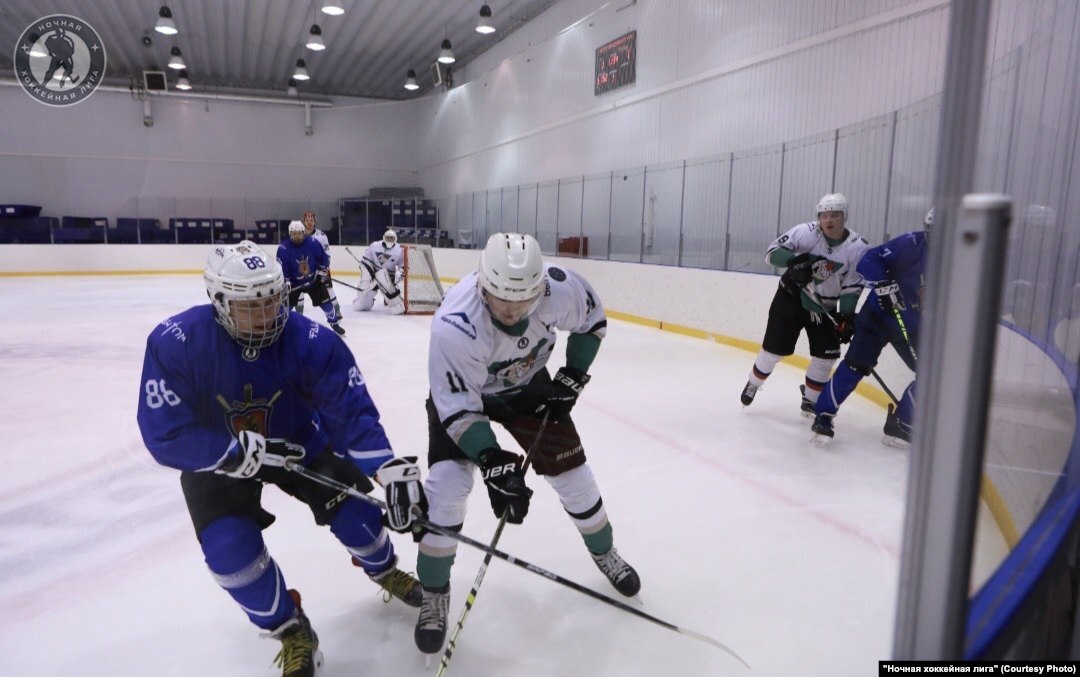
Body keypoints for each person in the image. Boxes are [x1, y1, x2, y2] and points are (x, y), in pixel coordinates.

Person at [136, 241, 428, 677]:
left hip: (298, 441)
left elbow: (350, 414)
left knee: (360, 518)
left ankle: (383, 569)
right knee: (230, 554)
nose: (266, 315)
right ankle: (291, 629)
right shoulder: (176, 342)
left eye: (272, 302)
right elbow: (165, 431)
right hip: (220, 457)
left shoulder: (313, 341)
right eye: (249, 307)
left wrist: (387, 469)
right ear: (218, 302)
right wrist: (228, 453)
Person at [413, 232, 641, 654]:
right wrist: (492, 461)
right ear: (483, 286)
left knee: (574, 475)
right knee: (446, 489)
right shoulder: (454, 325)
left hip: (528, 386)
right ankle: (434, 591)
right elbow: (458, 409)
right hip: (466, 398)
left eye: (523, 301)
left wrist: (574, 374)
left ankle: (605, 551)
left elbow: (592, 320)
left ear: (540, 288)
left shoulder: (558, 287)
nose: (513, 311)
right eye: (502, 301)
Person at [740, 193, 869, 416]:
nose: (828, 220)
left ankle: (810, 399)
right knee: (773, 350)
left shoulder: (857, 247)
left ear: (844, 216)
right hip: (790, 299)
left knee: (827, 356)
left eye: (835, 215)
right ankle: (754, 382)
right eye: (824, 215)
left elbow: (852, 286)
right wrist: (793, 262)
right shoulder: (807, 232)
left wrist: (846, 317)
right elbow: (771, 253)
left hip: (824, 308)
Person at [810, 208, 931, 445]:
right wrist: (884, 283)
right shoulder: (910, 244)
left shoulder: (963, 262)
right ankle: (823, 414)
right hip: (878, 316)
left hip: (913, 325)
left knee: (933, 374)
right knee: (855, 365)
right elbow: (869, 260)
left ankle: (901, 425)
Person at [277, 220, 345, 335]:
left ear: (303, 233)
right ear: (290, 234)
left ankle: (334, 323)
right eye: (294, 233)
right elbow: (282, 267)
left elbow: (324, 258)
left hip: (313, 280)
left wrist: (322, 270)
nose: (297, 236)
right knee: (285, 308)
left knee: (327, 304)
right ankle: (279, 327)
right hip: (293, 283)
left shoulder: (313, 243)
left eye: (299, 233)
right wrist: (286, 281)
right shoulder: (284, 248)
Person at [296, 210, 342, 319]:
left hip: (319, 269)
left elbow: (327, 254)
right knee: (299, 292)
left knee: (328, 289)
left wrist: (323, 269)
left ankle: (337, 311)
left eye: (311, 220)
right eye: (307, 220)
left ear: (315, 221)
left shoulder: (321, 236)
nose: (309, 222)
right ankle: (299, 316)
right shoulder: (298, 235)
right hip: (303, 269)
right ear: (303, 222)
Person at [352, 229, 405, 315]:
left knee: (398, 309)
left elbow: (403, 265)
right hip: (373, 275)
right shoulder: (374, 246)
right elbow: (365, 262)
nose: (389, 240)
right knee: (360, 306)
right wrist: (368, 276)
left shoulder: (400, 250)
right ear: (383, 238)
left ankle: (392, 296)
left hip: (388, 277)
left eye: (391, 238)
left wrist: (401, 272)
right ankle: (365, 300)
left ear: (395, 239)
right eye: (387, 238)